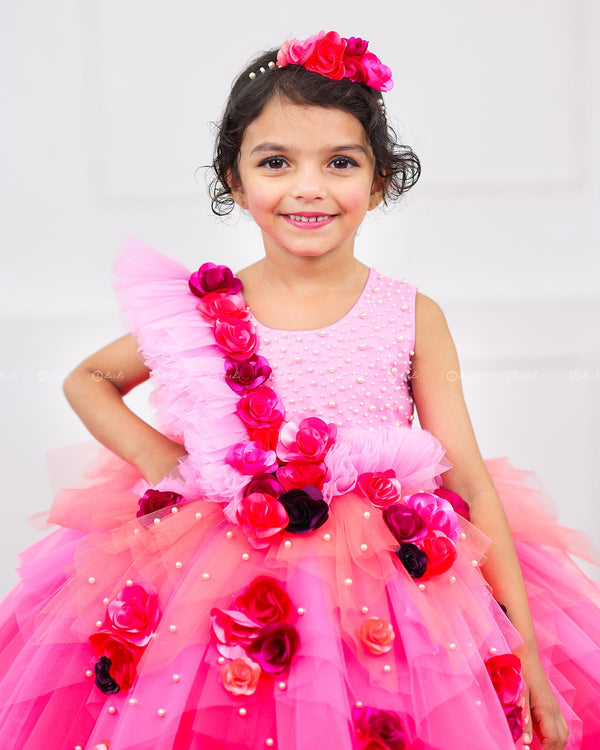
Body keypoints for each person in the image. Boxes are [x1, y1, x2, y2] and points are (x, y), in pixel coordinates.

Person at [0, 30, 598, 750]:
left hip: (392, 591)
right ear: (234, 180)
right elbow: (88, 378)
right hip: (221, 580)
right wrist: (166, 462)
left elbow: (465, 474)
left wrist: (524, 652)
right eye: (276, 162)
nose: (308, 187)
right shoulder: (202, 311)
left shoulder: (410, 313)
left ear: (379, 182)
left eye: (339, 163)